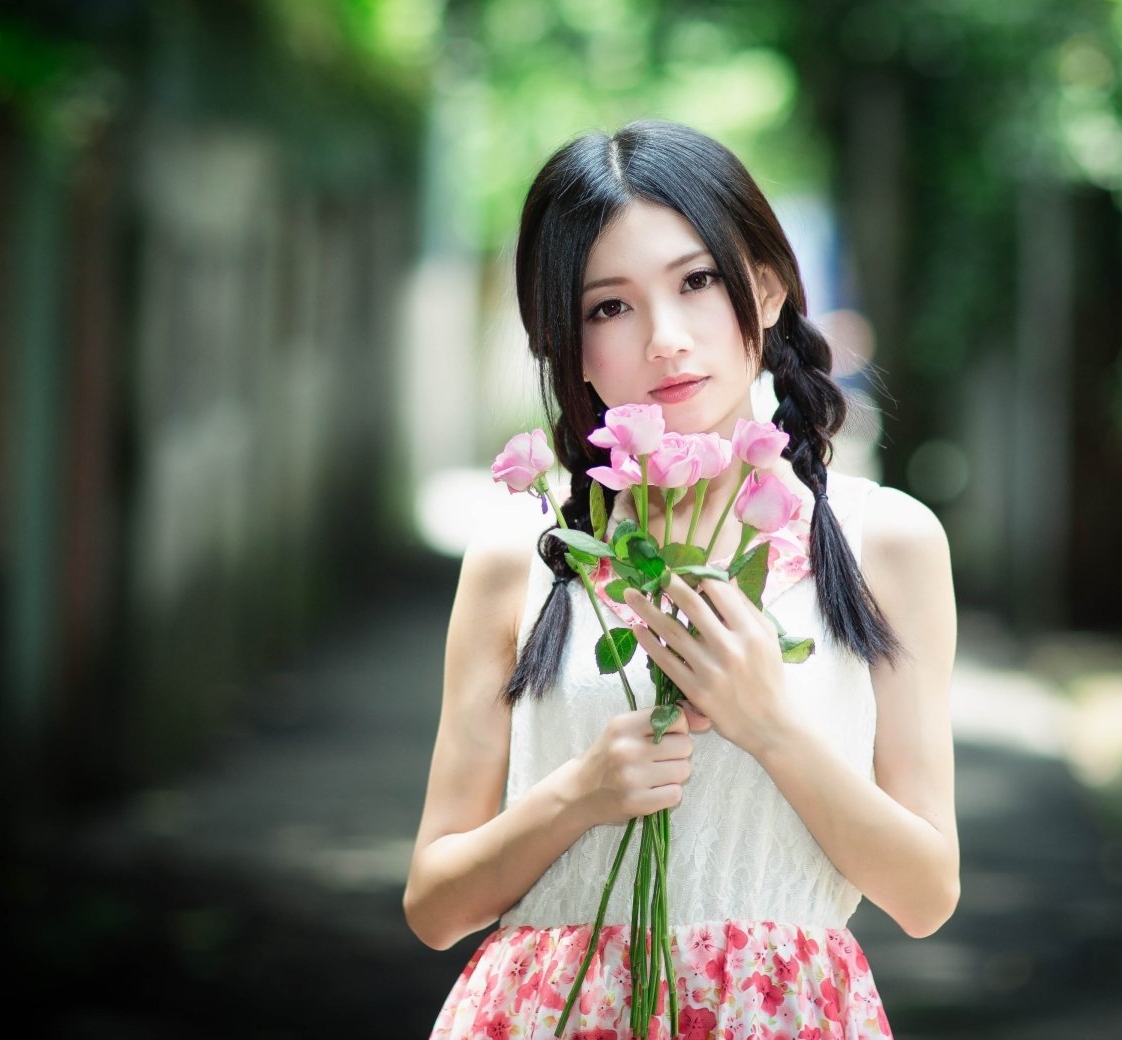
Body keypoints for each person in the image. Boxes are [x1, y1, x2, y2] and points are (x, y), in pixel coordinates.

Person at [404, 119, 959, 1038]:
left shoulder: (883, 542)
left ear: (770, 288)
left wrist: (771, 728)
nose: (665, 338)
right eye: (607, 307)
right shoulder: (524, 553)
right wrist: (577, 795)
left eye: (698, 282)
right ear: (566, 343)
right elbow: (434, 905)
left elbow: (926, 893)